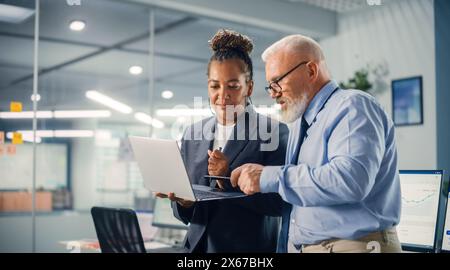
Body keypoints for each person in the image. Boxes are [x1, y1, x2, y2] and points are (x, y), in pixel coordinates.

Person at [230, 34, 402, 253]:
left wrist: (268, 176)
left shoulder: (351, 106)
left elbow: (349, 180)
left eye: (277, 81)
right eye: (270, 86)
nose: (273, 93)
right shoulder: (299, 125)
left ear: (311, 71)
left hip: (353, 247)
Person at [156, 29, 289, 253]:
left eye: (233, 86)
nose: (223, 95)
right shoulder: (192, 134)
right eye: (215, 86)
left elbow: (280, 204)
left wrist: (227, 179)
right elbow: (186, 213)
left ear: (249, 87)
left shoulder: (274, 132)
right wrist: (183, 202)